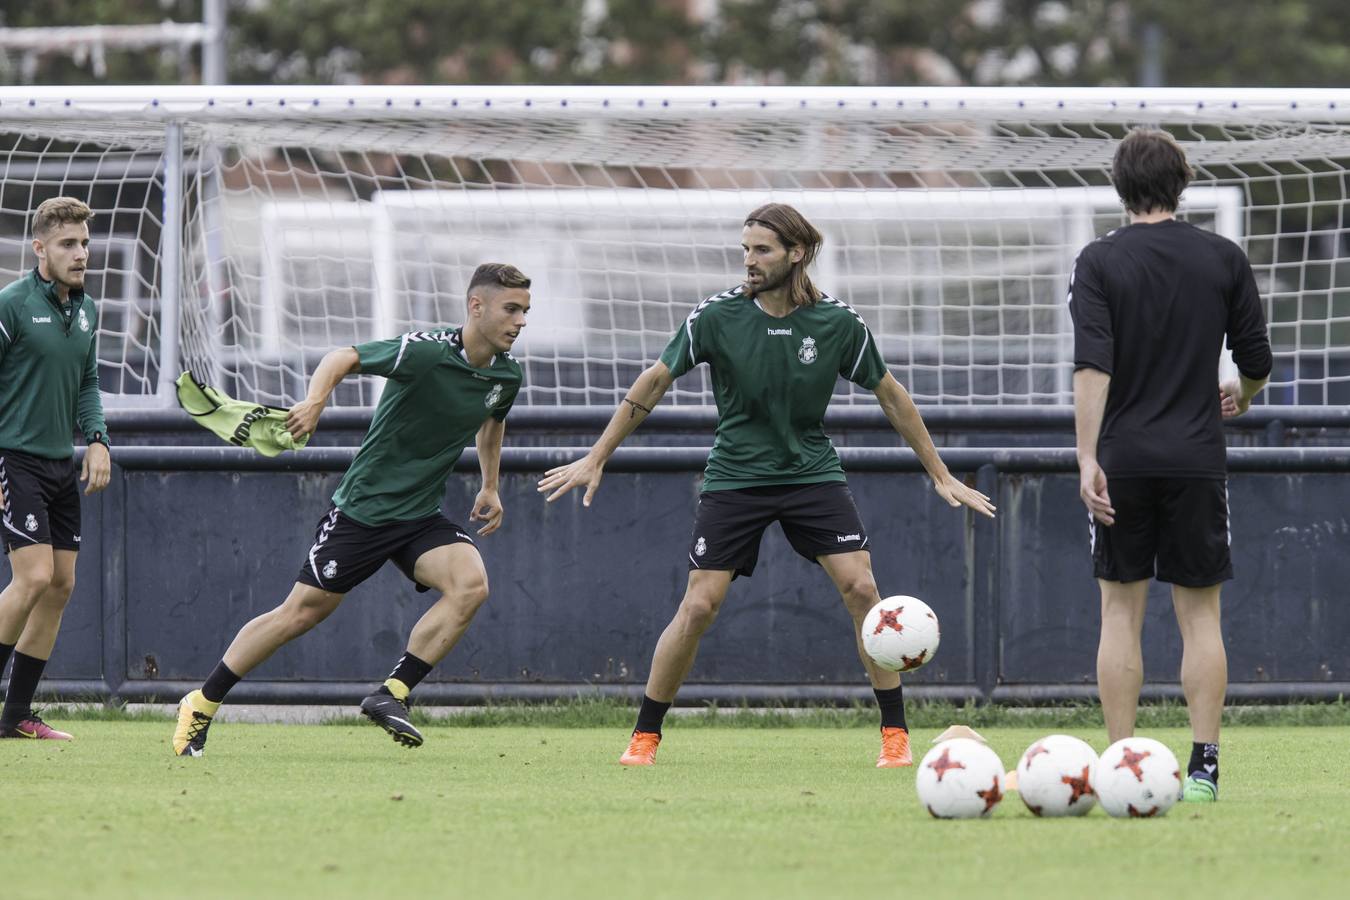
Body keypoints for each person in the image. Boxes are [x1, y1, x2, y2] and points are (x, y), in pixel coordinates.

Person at [538, 203, 995, 767]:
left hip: (812, 475)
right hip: (736, 476)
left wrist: (941, 472)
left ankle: (895, 737)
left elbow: (892, 394)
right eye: (746, 250)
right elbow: (655, 379)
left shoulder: (838, 323)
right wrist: (597, 455)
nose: (749, 261)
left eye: (763, 250)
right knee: (700, 605)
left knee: (863, 592)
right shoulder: (716, 316)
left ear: (796, 254)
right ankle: (645, 737)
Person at [171, 263, 530, 756]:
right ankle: (201, 703)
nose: (520, 320)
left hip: (420, 514)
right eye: (511, 308)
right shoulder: (424, 352)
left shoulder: (507, 375)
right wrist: (315, 403)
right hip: (364, 510)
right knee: (298, 615)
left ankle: (391, 695)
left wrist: (490, 486)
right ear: (477, 306)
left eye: (525, 310)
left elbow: (492, 422)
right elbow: (342, 356)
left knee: (471, 586)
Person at [1069, 128, 1272, 802]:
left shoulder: (1099, 260)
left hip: (1122, 461)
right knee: (1201, 616)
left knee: (1119, 613)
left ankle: (1121, 762)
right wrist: (1239, 396)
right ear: (1182, 183)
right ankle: (1205, 768)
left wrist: (1087, 457)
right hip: (1195, 461)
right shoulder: (1222, 256)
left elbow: (1093, 365)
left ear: (1120, 186)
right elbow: (1257, 362)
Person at [0, 197, 112, 740]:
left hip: (57, 465)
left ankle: (16, 714)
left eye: (85, 243)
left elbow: (87, 383)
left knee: (60, 584)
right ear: (39, 248)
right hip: (13, 459)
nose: (81, 253)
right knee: (34, 576)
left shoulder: (87, 311)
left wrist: (97, 441)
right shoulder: (12, 305)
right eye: (69, 244)